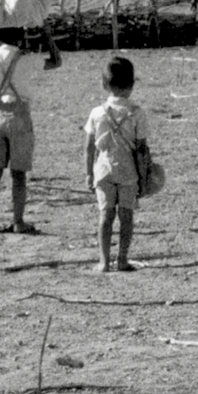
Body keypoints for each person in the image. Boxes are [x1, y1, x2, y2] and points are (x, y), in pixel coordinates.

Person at [0, 20, 61, 234]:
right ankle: (18, 221)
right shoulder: (26, 59)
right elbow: (56, 62)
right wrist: (47, 36)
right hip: (20, 116)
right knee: (19, 174)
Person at [82, 55, 151, 272]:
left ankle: (103, 261)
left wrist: (89, 174)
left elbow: (89, 147)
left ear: (104, 84)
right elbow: (141, 149)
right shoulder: (137, 113)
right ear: (132, 85)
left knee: (105, 214)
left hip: (103, 170)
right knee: (126, 215)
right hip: (128, 171)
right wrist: (144, 176)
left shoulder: (96, 113)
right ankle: (122, 259)